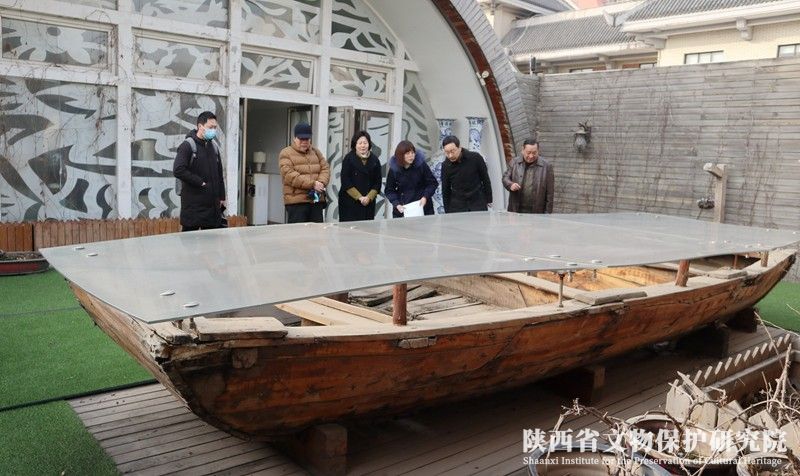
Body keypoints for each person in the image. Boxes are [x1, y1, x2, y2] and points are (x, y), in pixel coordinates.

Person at [173, 111, 226, 232]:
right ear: (200, 126)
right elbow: (178, 169)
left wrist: (222, 196)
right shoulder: (187, 146)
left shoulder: (214, 147)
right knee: (189, 242)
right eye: (210, 127)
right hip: (193, 209)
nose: (213, 130)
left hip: (212, 211)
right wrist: (200, 182)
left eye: (215, 127)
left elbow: (219, 175)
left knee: (211, 242)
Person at [279, 122, 330, 223]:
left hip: (316, 201)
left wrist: (321, 183)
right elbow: (289, 175)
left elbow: (325, 168)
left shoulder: (316, 152)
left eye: (307, 139)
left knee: (317, 231)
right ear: (295, 138)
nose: (304, 142)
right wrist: (313, 184)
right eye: (301, 139)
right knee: (298, 232)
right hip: (297, 203)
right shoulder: (285, 153)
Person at [385, 140, 438, 218]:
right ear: (400, 155)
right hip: (403, 209)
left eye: (412, 153)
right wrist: (397, 204)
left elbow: (432, 183)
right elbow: (389, 190)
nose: (411, 156)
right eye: (407, 153)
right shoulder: (394, 169)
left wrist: (425, 197)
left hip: (422, 207)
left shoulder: (421, 165)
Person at [338, 131, 382, 222]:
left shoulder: (375, 160)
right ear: (355, 144)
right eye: (360, 143)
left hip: (368, 203)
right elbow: (345, 181)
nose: (363, 146)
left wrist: (369, 197)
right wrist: (359, 197)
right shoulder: (348, 159)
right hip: (350, 202)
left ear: (369, 144)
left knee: (366, 228)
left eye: (365, 143)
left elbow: (378, 182)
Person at [441, 135, 492, 213]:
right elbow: (445, 189)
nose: (450, 155)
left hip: (477, 202)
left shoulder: (475, 158)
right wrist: (447, 211)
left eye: (452, 151)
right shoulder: (445, 165)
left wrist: (489, 199)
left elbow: (485, 179)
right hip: (457, 206)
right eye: (447, 153)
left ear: (459, 148)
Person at [502, 139, 554, 214]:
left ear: (538, 151)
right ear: (522, 150)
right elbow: (505, 177)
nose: (531, 156)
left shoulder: (547, 166)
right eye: (528, 153)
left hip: (537, 211)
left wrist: (547, 215)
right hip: (515, 210)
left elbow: (550, 194)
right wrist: (510, 185)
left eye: (534, 153)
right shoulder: (514, 162)